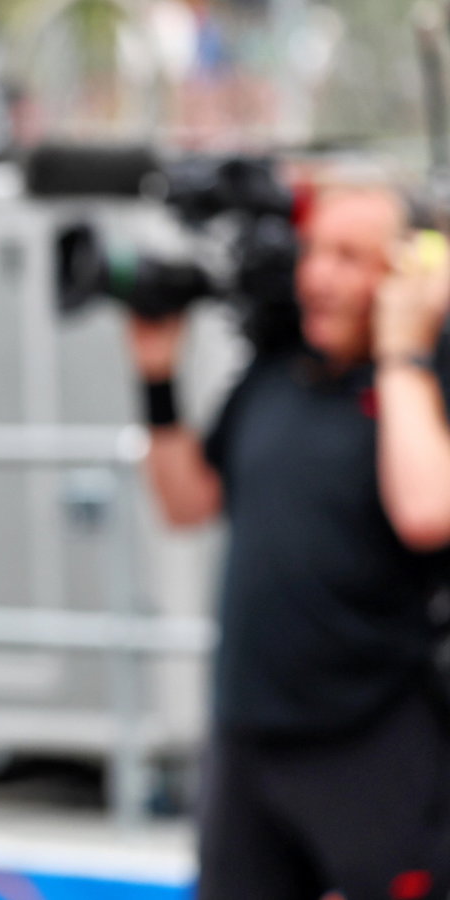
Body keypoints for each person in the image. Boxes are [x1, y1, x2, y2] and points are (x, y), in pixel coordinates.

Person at [128, 184, 450, 899]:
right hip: (247, 741)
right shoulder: (274, 377)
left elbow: (428, 510)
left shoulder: (423, 386)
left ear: (407, 272)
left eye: (348, 257)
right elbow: (186, 504)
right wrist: (156, 376)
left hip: (371, 739)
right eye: (312, 253)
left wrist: (405, 352)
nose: (316, 277)